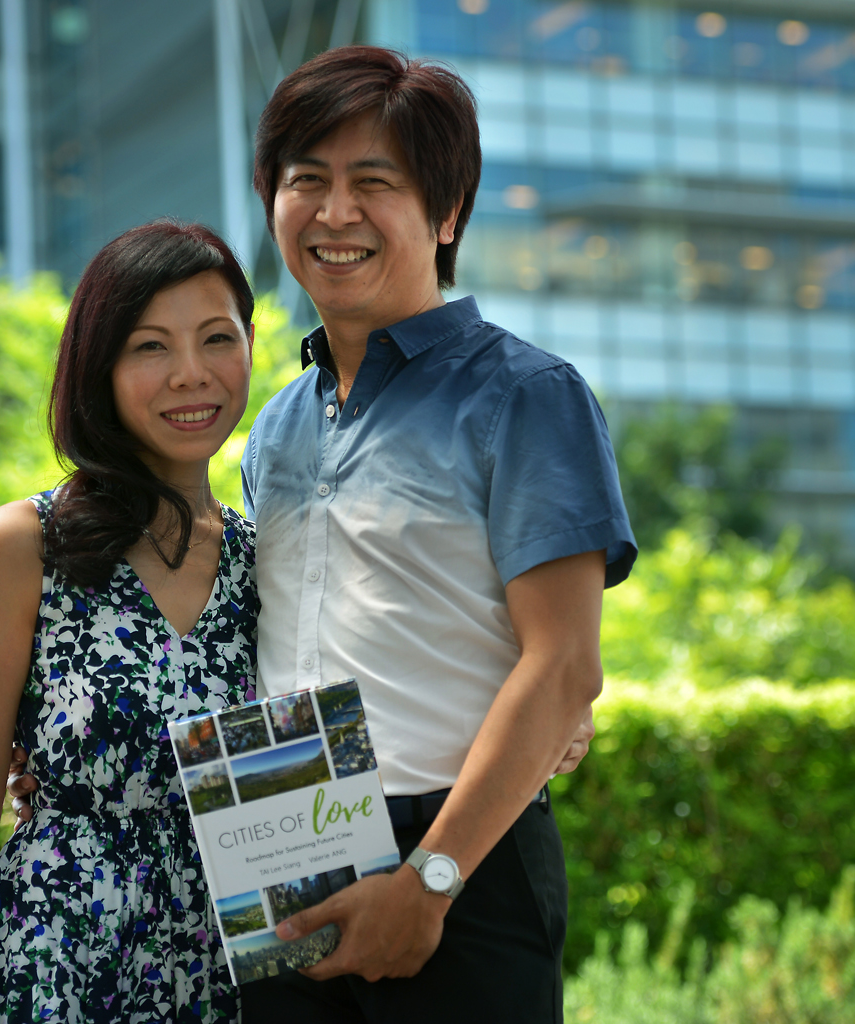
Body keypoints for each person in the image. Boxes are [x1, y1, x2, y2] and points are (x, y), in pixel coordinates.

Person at [238, 46, 636, 1022]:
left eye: (374, 183)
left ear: (447, 213)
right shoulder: (275, 424)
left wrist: (432, 878)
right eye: (306, 182)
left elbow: (563, 666)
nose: (334, 214)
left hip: (459, 852)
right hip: (282, 829)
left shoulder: (527, 396)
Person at [0, 221, 258, 1024]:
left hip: (227, 974)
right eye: (150, 347)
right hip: (59, 966)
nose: (191, 375)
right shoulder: (22, 546)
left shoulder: (270, 561)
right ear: (99, 367)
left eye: (217, 339)